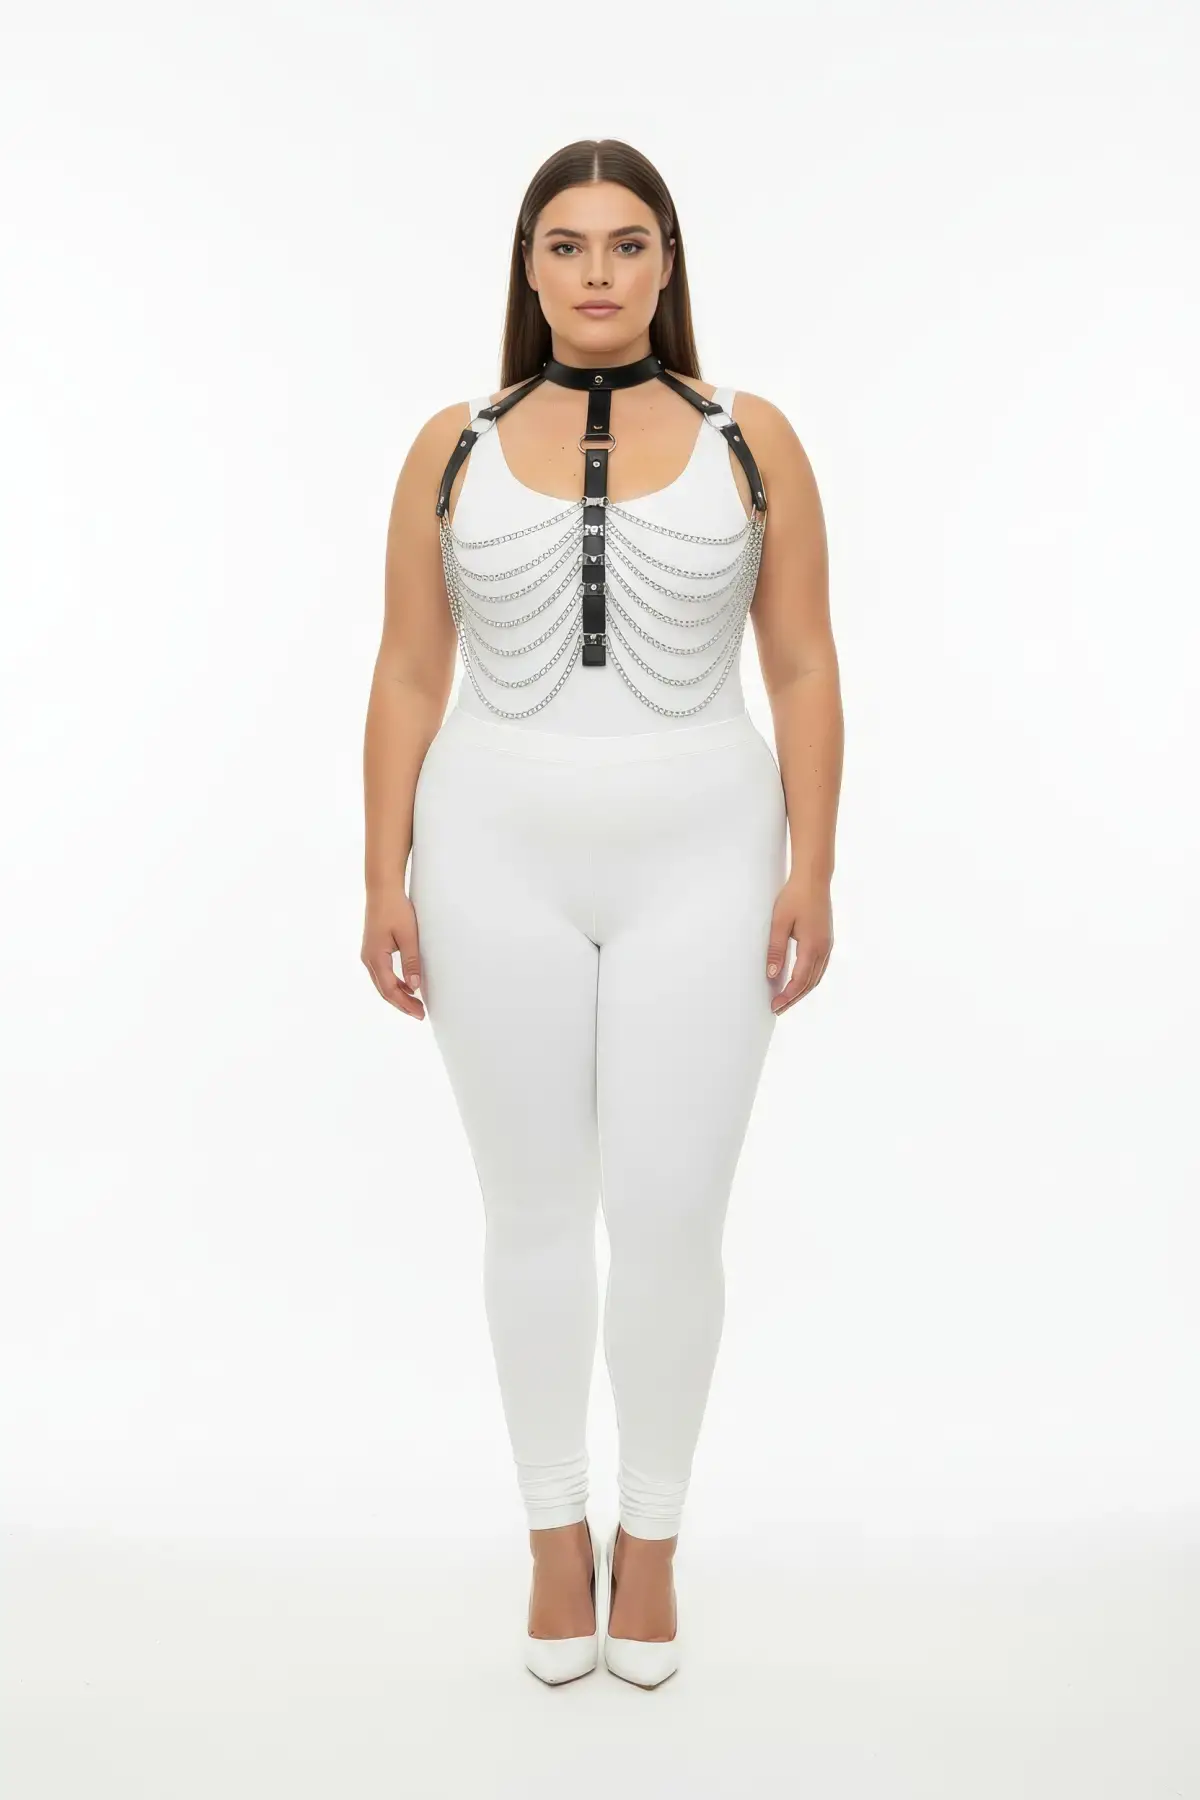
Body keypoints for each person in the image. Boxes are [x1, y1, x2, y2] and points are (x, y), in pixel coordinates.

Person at [361, 138, 842, 1687]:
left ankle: (657, 1538)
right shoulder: (448, 445)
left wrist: (815, 864)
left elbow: (803, 664)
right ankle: (554, 1536)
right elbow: (411, 670)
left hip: (708, 849)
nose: (595, 272)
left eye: (626, 244)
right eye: (565, 245)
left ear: (667, 263)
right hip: (488, 850)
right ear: (529, 265)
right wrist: (381, 873)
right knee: (531, 1210)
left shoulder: (751, 437)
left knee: (673, 1210)